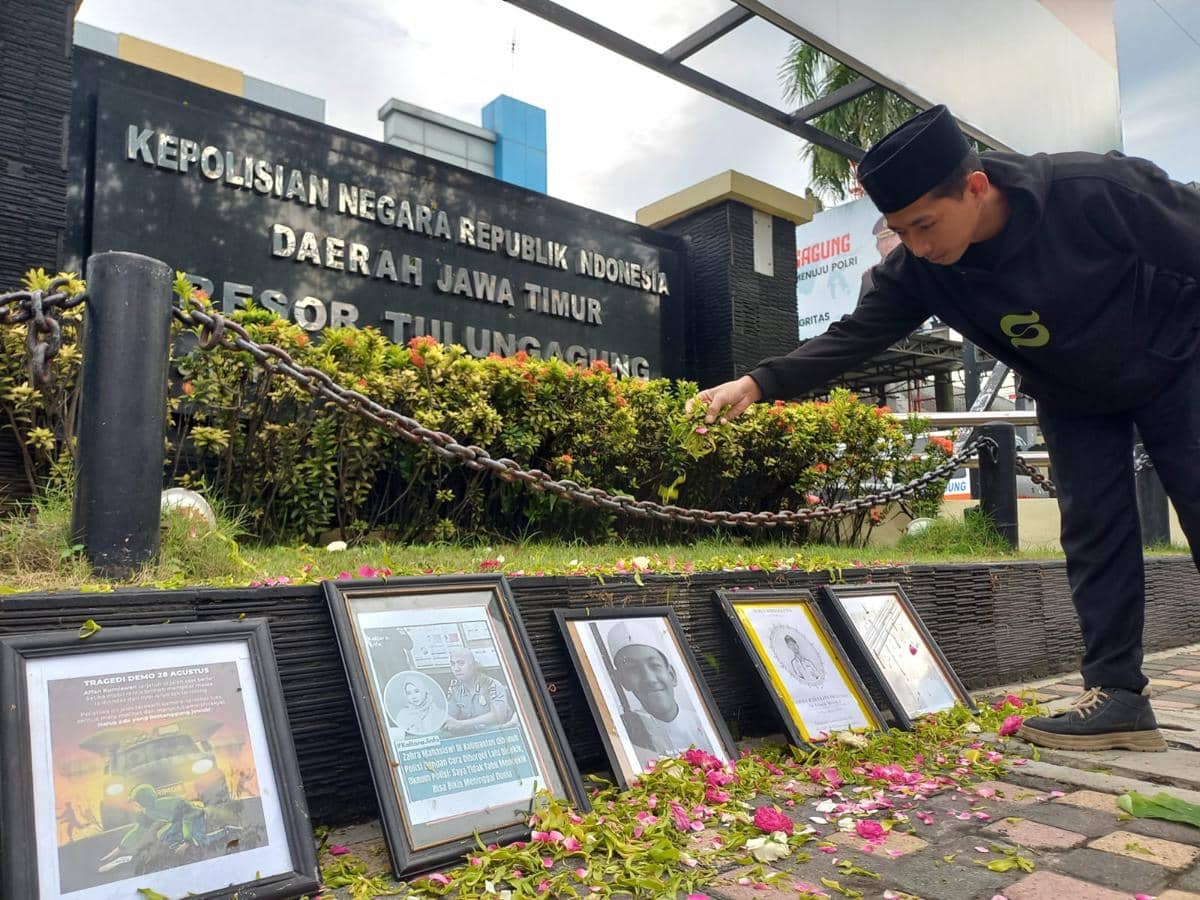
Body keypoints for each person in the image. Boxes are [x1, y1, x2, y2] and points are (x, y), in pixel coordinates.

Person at [694, 104, 1200, 752]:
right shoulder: (922, 267)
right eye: (904, 233)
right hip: (1073, 395)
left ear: (977, 187)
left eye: (926, 224)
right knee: (1095, 537)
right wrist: (758, 383)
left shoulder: (1092, 189)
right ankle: (1119, 698)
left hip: (1176, 357)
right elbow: (855, 335)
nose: (921, 246)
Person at [606, 620, 714, 767]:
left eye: (655, 666)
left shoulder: (706, 725)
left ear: (672, 675)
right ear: (623, 681)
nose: (649, 679)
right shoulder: (624, 735)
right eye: (633, 669)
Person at [443, 647, 514, 735]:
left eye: (461, 663)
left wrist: (462, 724)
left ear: (474, 664)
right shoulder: (455, 688)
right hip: (473, 738)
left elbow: (499, 716)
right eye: (453, 664)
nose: (456, 668)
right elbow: (450, 716)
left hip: (498, 735)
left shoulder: (491, 685)